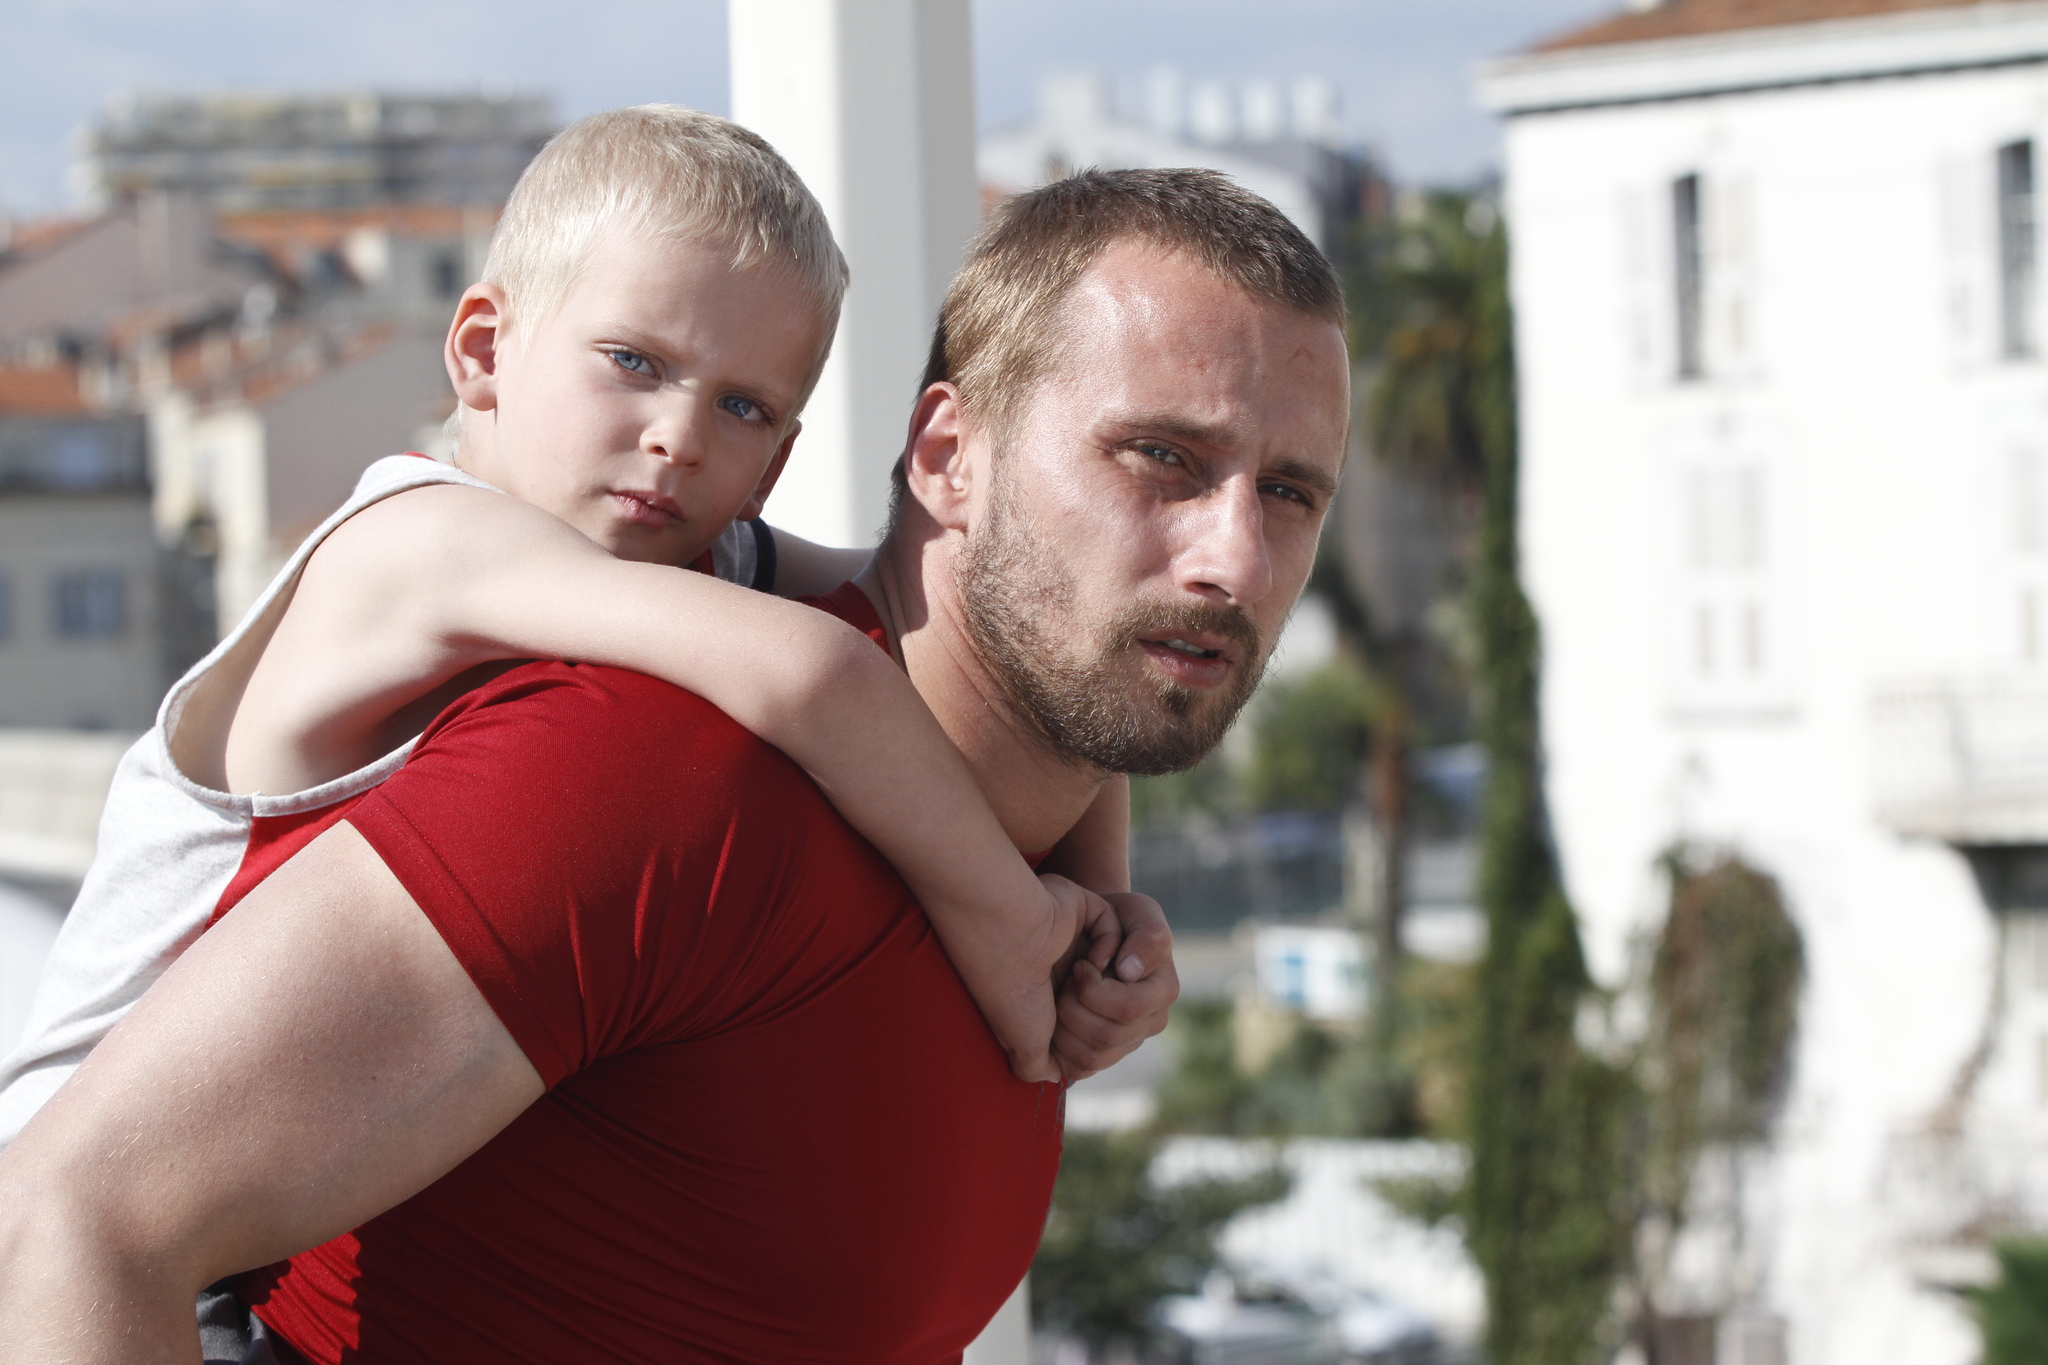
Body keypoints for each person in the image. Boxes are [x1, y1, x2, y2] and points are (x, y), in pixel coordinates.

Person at [0, 167, 1351, 1363]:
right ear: (947, 454)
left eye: (1290, 492)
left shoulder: (980, 819)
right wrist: (1023, 923)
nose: (1233, 559)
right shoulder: (653, 761)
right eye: (1161, 459)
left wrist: (1096, 920)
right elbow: (74, 1216)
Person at [0, 104, 1146, 1147]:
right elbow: (819, 676)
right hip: (82, 1183)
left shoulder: (671, 564)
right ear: (483, 352)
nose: (676, 436)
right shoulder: (419, 543)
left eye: (742, 407)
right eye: (633, 362)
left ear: (775, 465)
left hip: (262, 1158)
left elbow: (973, 642)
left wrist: (1105, 911)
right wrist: (1011, 923)